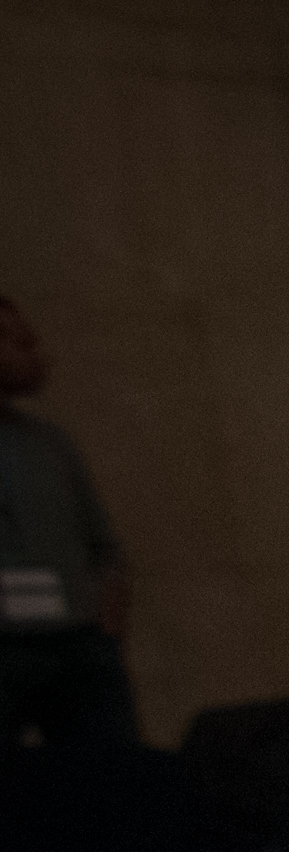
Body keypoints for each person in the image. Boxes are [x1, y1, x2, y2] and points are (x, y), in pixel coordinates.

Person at [0, 295, 140, 746]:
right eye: (21, 343)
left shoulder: (51, 443)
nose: (38, 354)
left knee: (109, 777)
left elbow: (105, 548)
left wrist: (106, 630)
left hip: (80, 648)